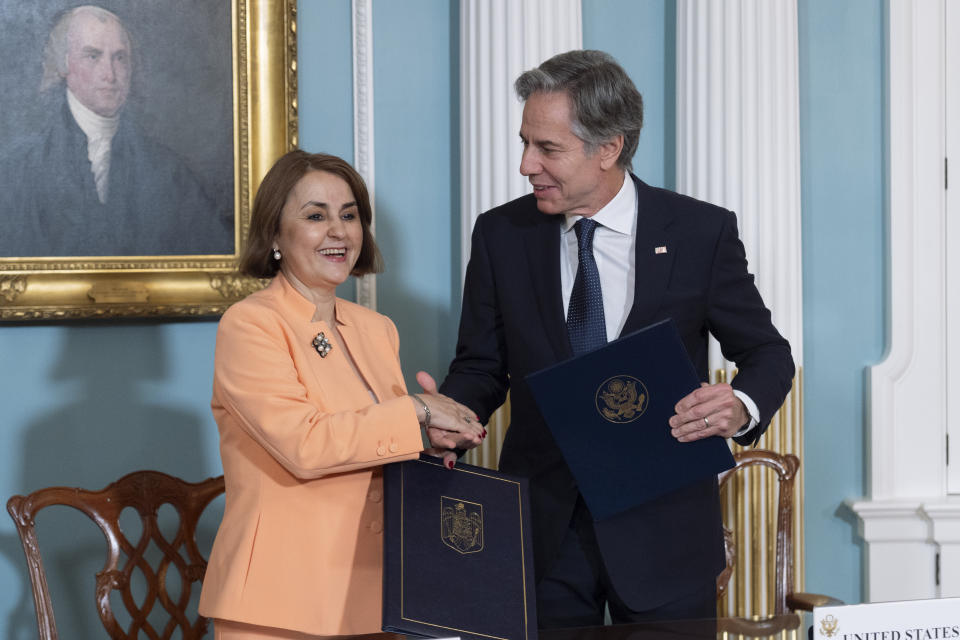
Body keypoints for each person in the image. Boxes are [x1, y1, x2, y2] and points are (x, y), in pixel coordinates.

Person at [439, 50, 795, 627]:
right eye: (524, 142)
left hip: (667, 533)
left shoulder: (700, 232)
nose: (527, 164)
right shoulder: (502, 233)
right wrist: (447, 413)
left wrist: (741, 404)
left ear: (609, 147)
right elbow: (481, 366)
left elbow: (767, 353)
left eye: (547, 148)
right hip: (545, 532)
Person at [198, 150, 485, 639]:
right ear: (274, 235)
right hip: (280, 603)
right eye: (316, 216)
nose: (339, 231)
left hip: (380, 594)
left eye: (349, 215)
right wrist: (413, 409)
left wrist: (428, 439)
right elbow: (305, 448)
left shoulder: (377, 329)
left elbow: (375, 442)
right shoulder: (250, 325)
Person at [0, 5, 231, 257]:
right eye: (93, 56)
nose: (109, 75)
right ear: (64, 64)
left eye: (120, 58)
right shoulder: (17, 172)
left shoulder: (170, 172)